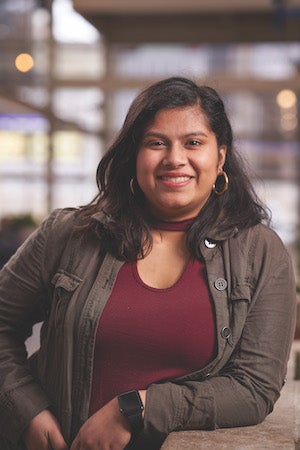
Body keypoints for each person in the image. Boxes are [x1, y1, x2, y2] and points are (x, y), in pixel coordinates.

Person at [0, 77, 296, 450]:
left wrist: (139, 408)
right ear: (133, 156)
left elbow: (254, 388)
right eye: (156, 143)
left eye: (193, 143)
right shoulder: (69, 234)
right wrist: (26, 410)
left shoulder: (260, 254)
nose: (175, 158)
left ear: (220, 156)